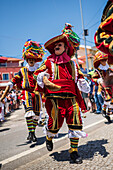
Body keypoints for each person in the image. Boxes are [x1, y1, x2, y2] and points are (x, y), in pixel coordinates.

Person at [33, 23, 90, 163]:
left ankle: (74, 151)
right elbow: (37, 74)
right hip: (54, 99)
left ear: (65, 47)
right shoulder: (48, 61)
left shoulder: (73, 63)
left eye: (60, 45)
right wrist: (44, 78)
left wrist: (83, 83)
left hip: (71, 97)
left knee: (76, 122)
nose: (56, 47)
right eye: (55, 46)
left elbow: (79, 76)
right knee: (54, 125)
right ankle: (49, 137)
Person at [0, 39, 45, 141]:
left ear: (36, 59)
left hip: (37, 94)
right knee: (29, 113)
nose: (31, 60)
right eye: (29, 58)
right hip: (27, 94)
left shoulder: (39, 71)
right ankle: (31, 132)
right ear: (26, 59)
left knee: (36, 114)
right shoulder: (22, 70)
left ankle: (32, 132)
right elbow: (13, 80)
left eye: (33, 58)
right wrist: (4, 95)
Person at [92, 50, 113, 123]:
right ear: (99, 61)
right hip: (104, 87)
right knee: (107, 99)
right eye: (102, 60)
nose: (104, 62)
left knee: (112, 101)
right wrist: (98, 80)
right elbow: (93, 78)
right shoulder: (97, 70)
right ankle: (103, 110)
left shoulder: (109, 69)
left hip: (111, 86)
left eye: (105, 60)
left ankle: (108, 114)